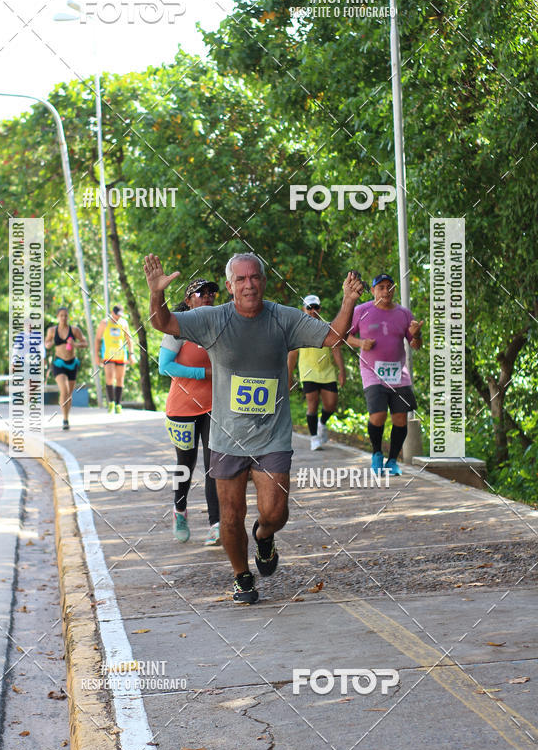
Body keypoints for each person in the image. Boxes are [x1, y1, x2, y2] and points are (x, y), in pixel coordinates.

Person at [144, 251, 363, 604]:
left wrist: (349, 300)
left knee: (275, 512)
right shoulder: (212, 318)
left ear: (263, 281)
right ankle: (241, 576)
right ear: (230, 287)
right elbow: (163, 323)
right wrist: (157, 292)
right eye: (241, 279)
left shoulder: (283, 318)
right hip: (226, 438)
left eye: (255, 277)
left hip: (271, 436)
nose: (249, 284)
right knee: (230, 518)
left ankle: (264, 536)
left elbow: (333, 337)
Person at [158, 278, 221, 547]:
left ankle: (216, 525)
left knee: (213, 466)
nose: (207, 296)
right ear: (188, 299)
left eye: (211, 293)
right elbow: (164, 366)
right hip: (182, 409)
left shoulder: (220, 325)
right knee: (186, 464)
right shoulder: (177, 327)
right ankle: (180, 511)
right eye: (201, 292)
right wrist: (202, 373)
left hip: (213, 407)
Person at [346, 273, 423, 475]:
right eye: (381, 287)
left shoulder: (404, 313)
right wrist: (361, 343)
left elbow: (416, 345)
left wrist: (417, 334)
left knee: (400, 419)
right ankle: (377, 453)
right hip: (372, 371)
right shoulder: (361, 311)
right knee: (378, 415)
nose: (386, 291)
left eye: (389, 286)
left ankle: (392, 461)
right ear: (372, 291)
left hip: (398, 372)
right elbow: (345, 335)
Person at [287, 294, 346, 451]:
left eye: (316, 308)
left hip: (327, 372)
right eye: (309, 308)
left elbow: (336, 351)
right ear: (303, 309)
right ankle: (314, 438)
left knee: (331, 405)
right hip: (308, 373)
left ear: (320, 309)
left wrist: (342, 372)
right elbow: (292, 355)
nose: (313, 311)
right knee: (312, 403)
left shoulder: (328, 327)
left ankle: (322, 423)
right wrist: (289, 376)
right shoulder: (298, 330)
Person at [44, 307, 88, 430]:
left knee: (69, 394)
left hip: (72, 364)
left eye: (65, 315)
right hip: (59, 363)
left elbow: (85, 343)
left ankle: (66, 417)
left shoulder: (74, 330)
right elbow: (46, 344)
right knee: (64, 389)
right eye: (61, 315)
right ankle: (64, 419)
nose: (63, 318)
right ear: (58, 316)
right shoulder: (52, 330)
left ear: (68, 316)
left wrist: (75, 344)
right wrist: (49, 344)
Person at [95, 304, 135, 412]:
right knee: (109, 377)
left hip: (121, 354)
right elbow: (98, 339)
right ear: (112, 313)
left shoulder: (123, 323)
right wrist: (96, 355)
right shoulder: (104, 323)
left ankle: (118, 404)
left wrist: (131, 354)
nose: (118, 317)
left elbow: (128, 339)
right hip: (108, 355)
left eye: (120, 315)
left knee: (120, 379)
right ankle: (111, 402)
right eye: (117, 315)